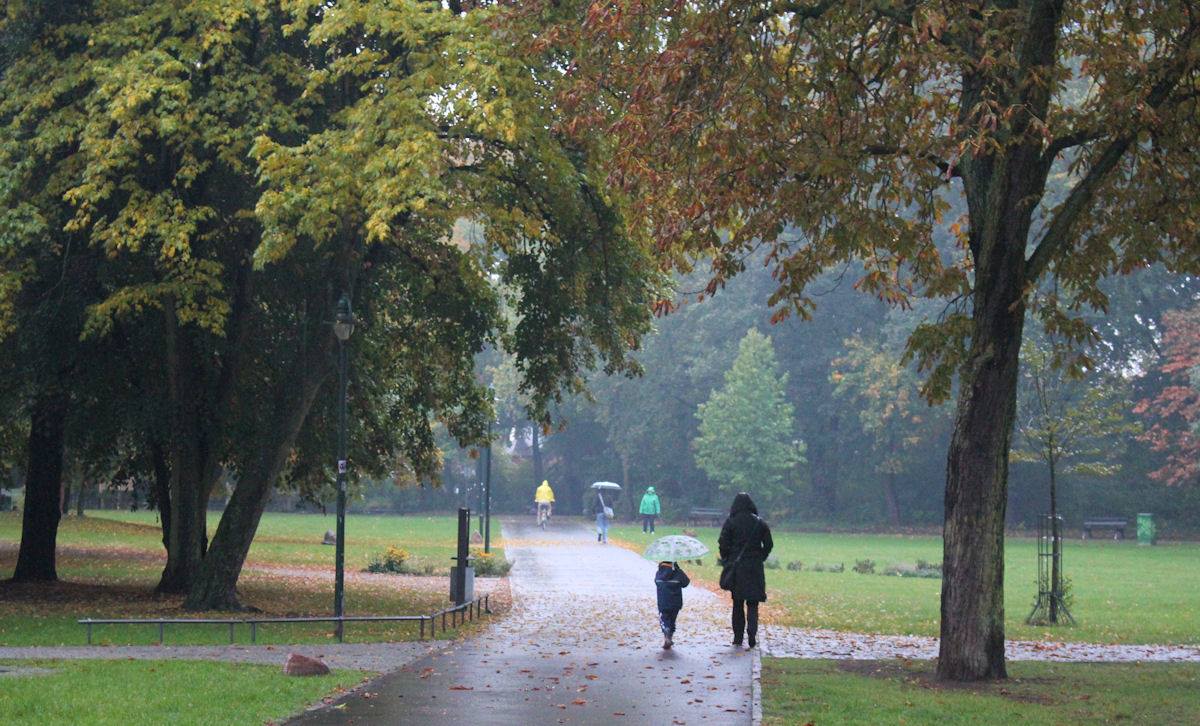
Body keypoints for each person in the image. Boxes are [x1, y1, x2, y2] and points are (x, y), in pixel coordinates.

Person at [718, 492, 773, 649]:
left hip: (738, 568)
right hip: (755, 567)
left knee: (738, 602)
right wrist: (760, 557)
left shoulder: (731, 522)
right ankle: (752, 633)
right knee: (753, 603)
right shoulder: (759, 523)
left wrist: (727, 559)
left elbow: (723, 543)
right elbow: (768, 544)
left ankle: (737, 637)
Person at [654, 561, 690, 650]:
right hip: (676, 602)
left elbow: (656, 582)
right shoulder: (678, 573)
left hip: (663, 602)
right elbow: (686, 583)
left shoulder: (659, 573)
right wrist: (678, 570)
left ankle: (666, 636)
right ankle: (669, 638)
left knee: (664, 620)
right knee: (672, 620)